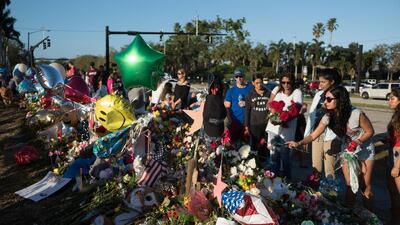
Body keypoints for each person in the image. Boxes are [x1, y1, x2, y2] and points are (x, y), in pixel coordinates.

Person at [287, 86, 375, 210]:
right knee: (350, 184)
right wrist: (299, 143)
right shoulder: (328, 117)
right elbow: (313, 135)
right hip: (348, 151)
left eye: (328, 99)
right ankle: (351, 213)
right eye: (325, 99)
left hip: (364, 150)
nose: (325, 102)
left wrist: (357, 142)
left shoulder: (356, 114)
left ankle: (370, 217)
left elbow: (370, 131)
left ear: (339, 100)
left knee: (364, 186)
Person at [304, 68, 342, 178]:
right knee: (315, 167)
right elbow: (312, 116)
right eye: (319, 81)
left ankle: (330, 193)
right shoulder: (318, 95)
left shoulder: (339, 95)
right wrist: (307, 135)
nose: (320, 85)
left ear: (332, 82)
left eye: (323, 82)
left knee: (330, 169)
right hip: (317, 134)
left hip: (332, 136)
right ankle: (315, 193)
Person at [265, 73, 303, 179]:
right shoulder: (277, 91)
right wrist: (272, 111)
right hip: (273, 128)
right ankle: (272, 180)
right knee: (273, 156)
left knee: (285, 157)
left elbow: (296, 109)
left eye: (288, 82)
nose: (286, 85)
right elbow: (269, 104)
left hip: (287, 130)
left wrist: (283, 119)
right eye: (283, 82)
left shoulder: (297, 92)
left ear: (292, 82)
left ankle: (287, 183)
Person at [245, 73, 271, 166]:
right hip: (254, 124)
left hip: (266, 124)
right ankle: (254, 165)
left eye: (260, 82)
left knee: (265, 146)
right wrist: (246, 126)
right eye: (257, 83)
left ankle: (265, 166)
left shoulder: (268, 93)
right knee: (254, 146)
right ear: (253, 83)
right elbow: (247, 111)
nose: (259, 85)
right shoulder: (249, 95)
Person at [224, 69, 252, 144]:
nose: (239, 78)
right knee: (234, 146)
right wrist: (230, 121)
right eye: (237, 77)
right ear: (235, 78)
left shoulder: (250, 88)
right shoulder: (231, 90)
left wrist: (246, 103)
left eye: (240, 76)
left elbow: (255, 102)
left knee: (247, 146)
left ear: (244, 77)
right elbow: (227, 107)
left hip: (248, 122)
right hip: (235, 122)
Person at [386, 88, 400, 224]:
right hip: (393, 152)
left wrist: (397, 166)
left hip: (398, 157)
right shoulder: (396, 114)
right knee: (393, 192)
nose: (389, 101)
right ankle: (394, 220)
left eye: (392, 98)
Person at [203, 74, 227, 144]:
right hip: (210, 129)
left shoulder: (218, 98)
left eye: (217, 87)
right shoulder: (210, 98)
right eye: (213, 88)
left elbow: (223, 114)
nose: (215, 89)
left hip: (217, 130)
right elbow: (206, 115)